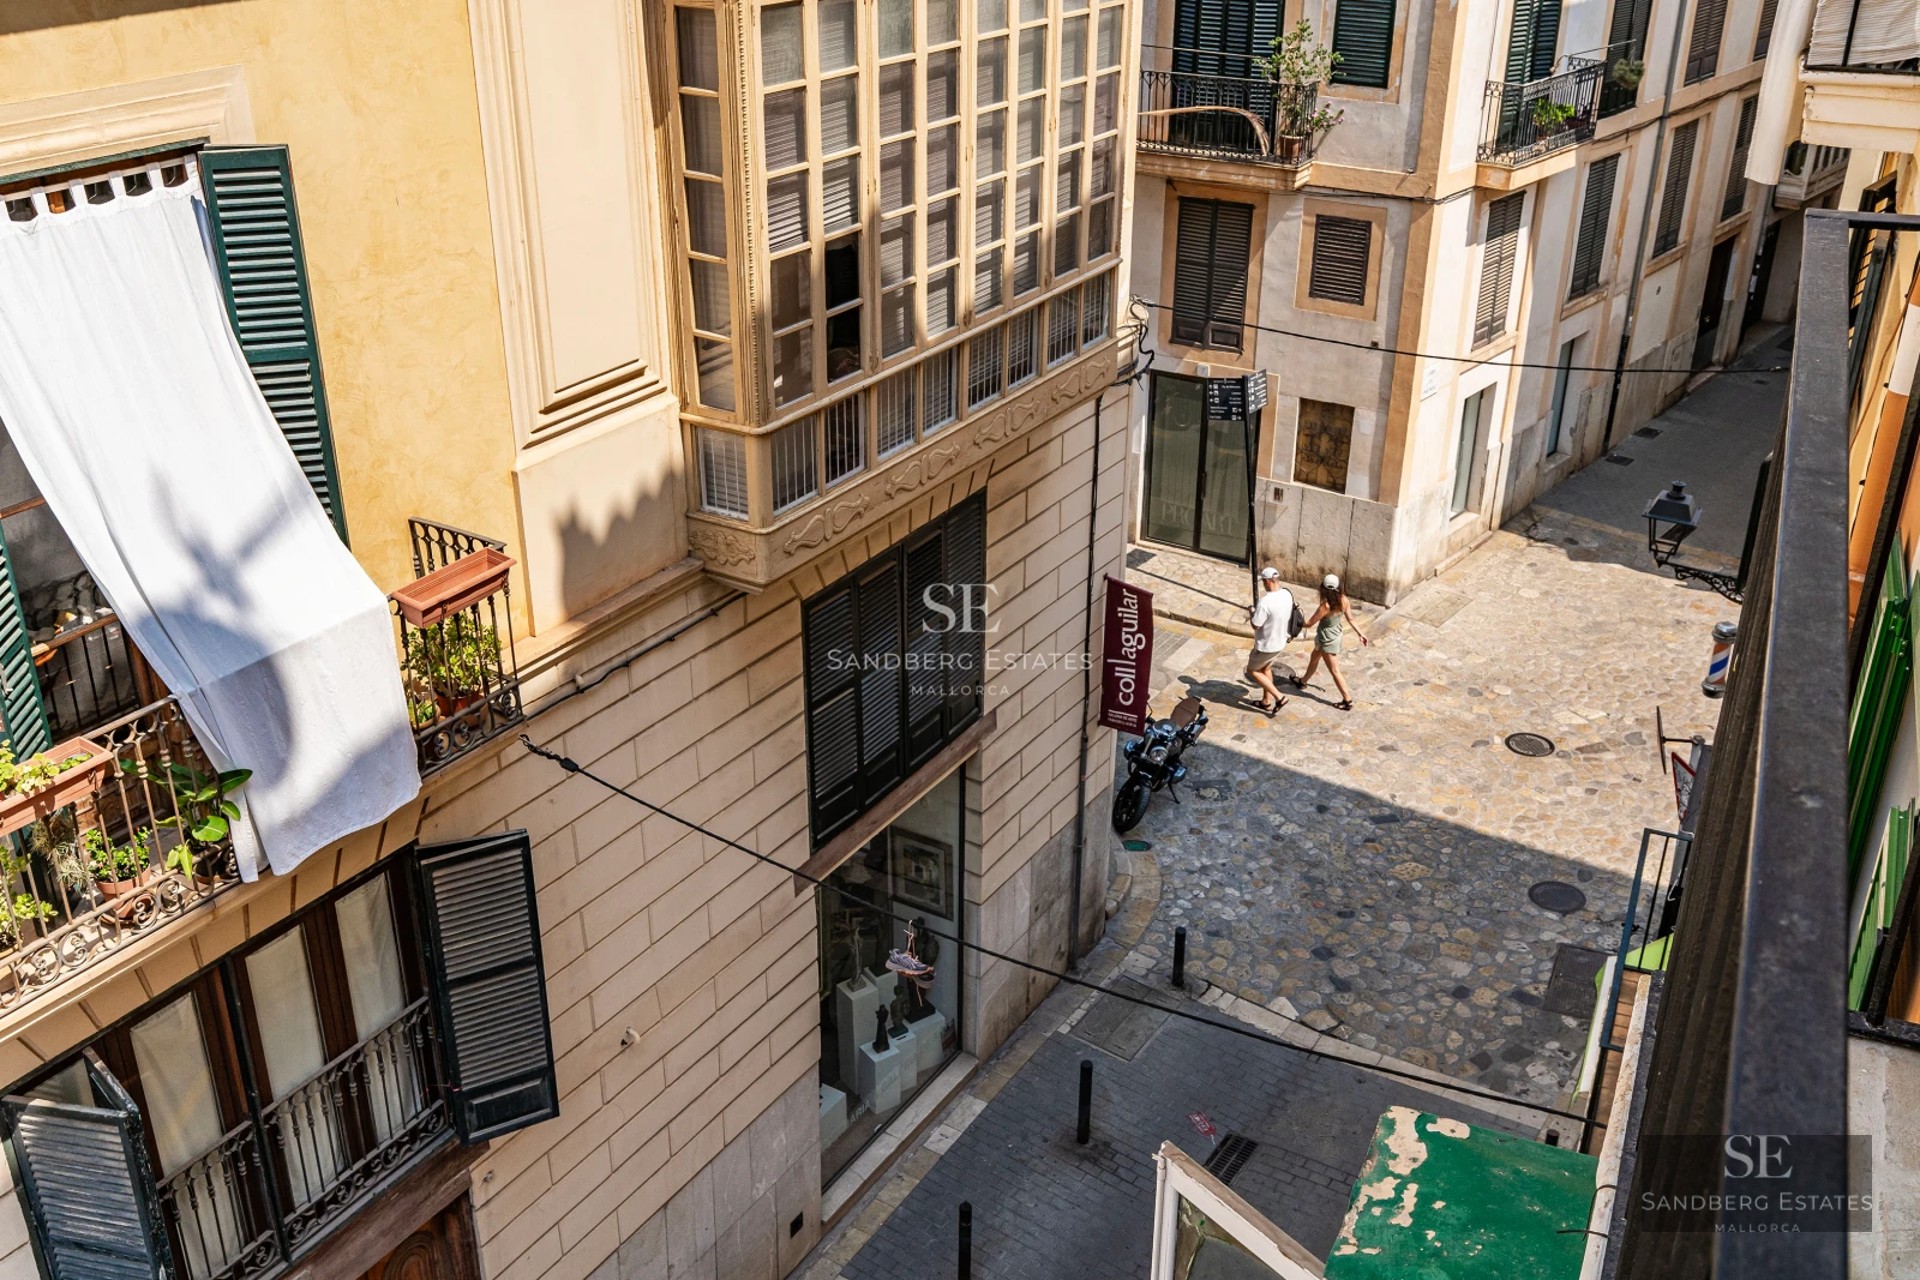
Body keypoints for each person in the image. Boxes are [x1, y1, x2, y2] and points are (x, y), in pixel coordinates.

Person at [1294, 573, 1370, 710]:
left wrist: (1295, 618)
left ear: (1323, 588)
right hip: (1334, 636)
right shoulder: (1344, 600)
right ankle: (1302, 681)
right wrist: (1361, 634)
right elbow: (1351, 619)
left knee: (1334, 671)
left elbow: (1309, 623)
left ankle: (1347, 700)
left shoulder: (1325, 606)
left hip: (1326, 640)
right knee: (1314, 659)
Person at [1244, 567, 1293, 717]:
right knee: (1266, 669)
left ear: (1266, 581)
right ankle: (1266, 701)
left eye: (1263, 582)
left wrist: (1252, 611)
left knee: (1252, 670)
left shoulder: (1265, 602)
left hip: (1266, 645)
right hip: (1281, 641)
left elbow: (1255, 624)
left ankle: (1279, 697)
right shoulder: (1287, 594)